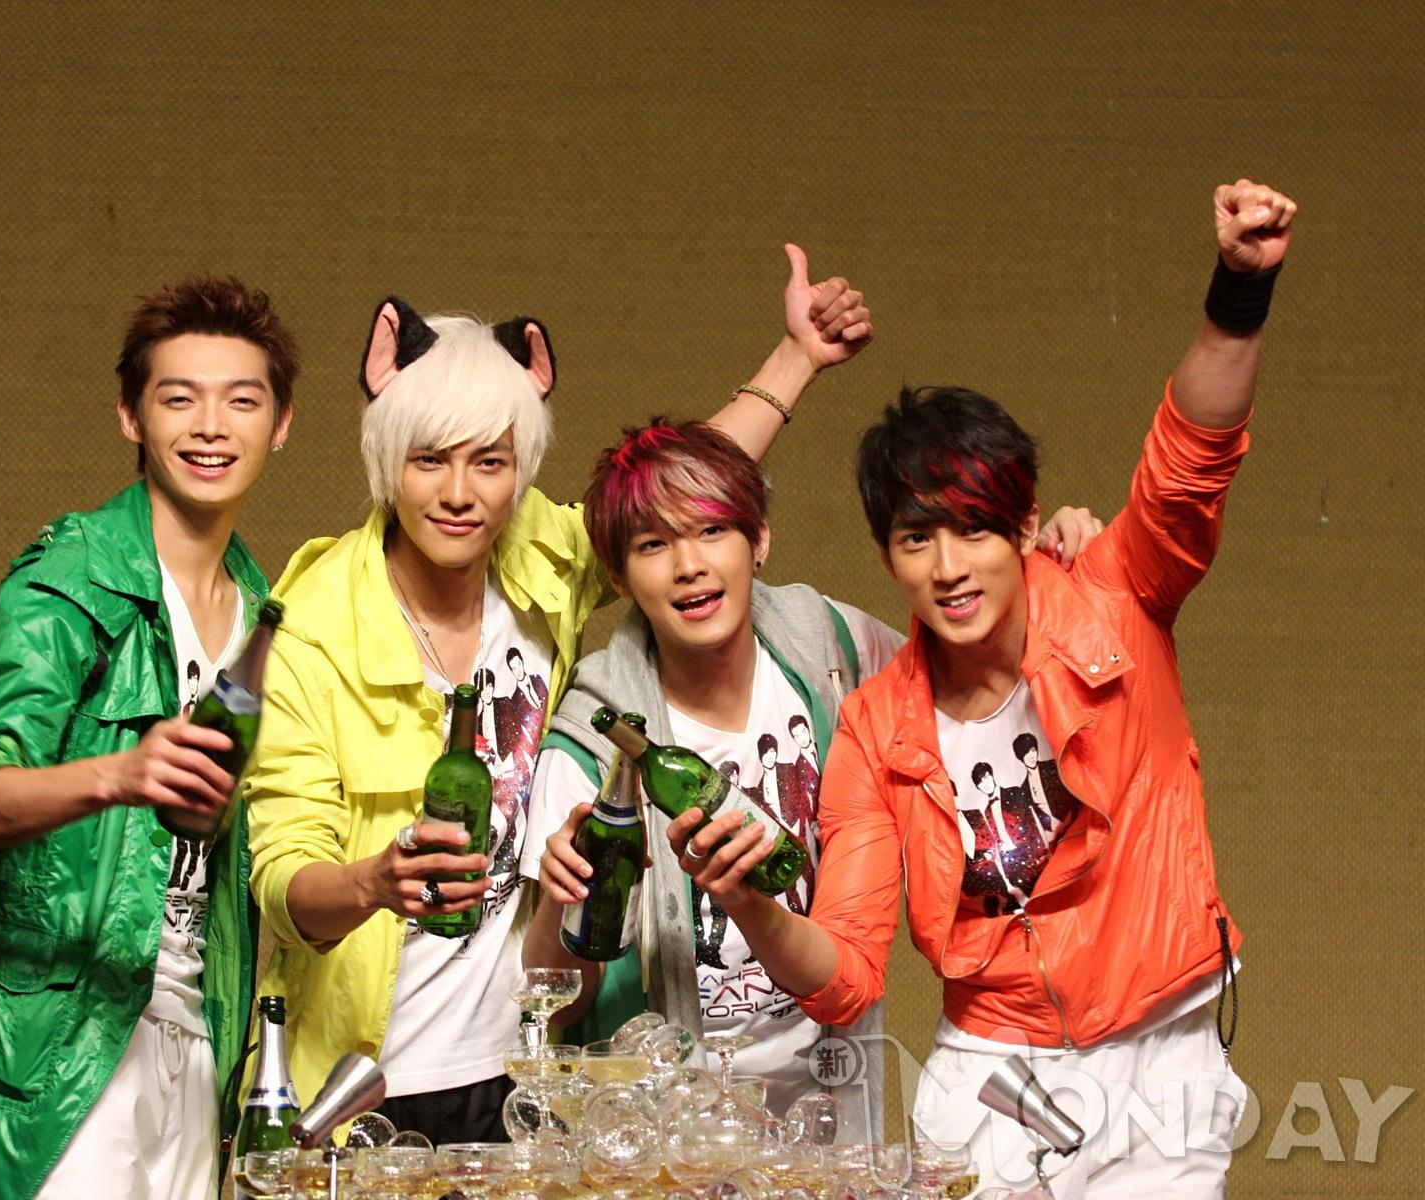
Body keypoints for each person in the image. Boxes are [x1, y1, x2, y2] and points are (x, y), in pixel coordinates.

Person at [664, 178, 1296, 1195]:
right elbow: (846, 975)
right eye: (917, 539)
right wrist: (749, 905)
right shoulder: (878, 727)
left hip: (1161, 1054)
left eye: (973, 530)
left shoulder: (1115, 598)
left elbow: (1191, 460)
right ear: (888, 555)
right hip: (993, 1075)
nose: (949, 567)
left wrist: (1239, 291)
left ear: (1024, 522)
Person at [243, 248, 872, 1143]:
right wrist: (372, 880)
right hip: (369, 1073)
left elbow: (673, 501)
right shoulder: (312, 623)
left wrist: (797, 357)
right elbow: (280, 878)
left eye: (490, 463)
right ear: (387, 460)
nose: (459, 494)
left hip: (526, 1071)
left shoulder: (538, 559)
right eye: (429, 460)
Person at [521, 419, 1103, 1127]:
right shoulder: (594, 738)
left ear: (759, 539)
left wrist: (1048, 567)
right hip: (658, 1125)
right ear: (619, 576)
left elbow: (975, 673)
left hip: (823, 1103)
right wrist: (556, 903)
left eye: (712, 531)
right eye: (653, 545)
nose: (689, 565)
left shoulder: (830, 646)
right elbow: (559, 1000)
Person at [0, 275, 297, 1198]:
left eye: (242, 401)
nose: (212, 427)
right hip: (60, 1051)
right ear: (131, 416)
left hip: (199, 1041)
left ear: (281, 425)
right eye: (180, 398)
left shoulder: (264, 609)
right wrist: (119, 773)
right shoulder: (71, 577)